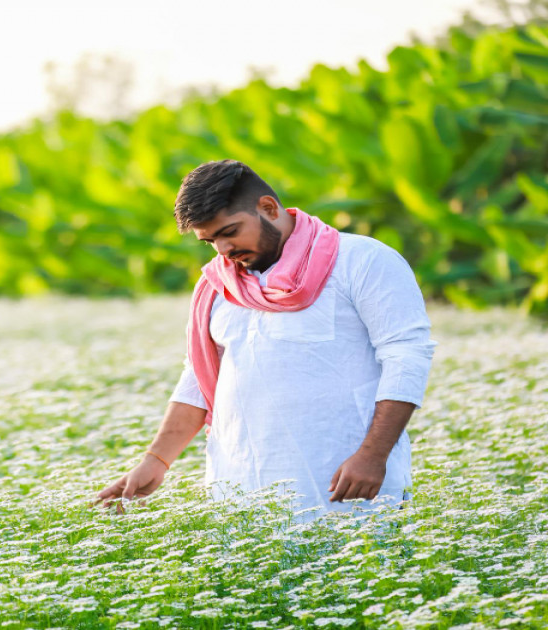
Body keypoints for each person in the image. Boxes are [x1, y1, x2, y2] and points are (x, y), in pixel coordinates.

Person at [94, 159, 436, 520]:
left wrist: (373, 456)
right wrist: (156, 461)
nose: (223, 249)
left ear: (269, 208)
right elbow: (199, 375)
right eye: (211, 241)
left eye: (230, 231)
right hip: (238, 490)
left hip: (346, 485)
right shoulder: (217, 285)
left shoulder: (362, 260)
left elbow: (406, 355)